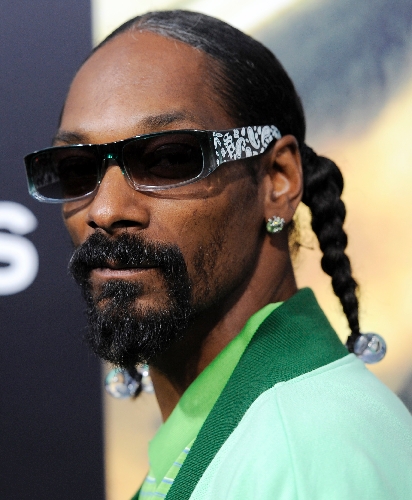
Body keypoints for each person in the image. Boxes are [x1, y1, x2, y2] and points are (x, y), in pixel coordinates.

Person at [24, 10, 412, 500]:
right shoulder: (253, 435)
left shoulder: (302, 454)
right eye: (77, 168)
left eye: (169, 159)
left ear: (277, 180)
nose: (105, 210)